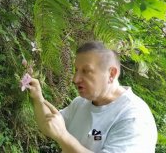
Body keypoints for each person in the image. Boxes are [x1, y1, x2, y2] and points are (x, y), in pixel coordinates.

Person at [28, 41, 157, 153]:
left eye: (86, 71)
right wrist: (38, 98)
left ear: (111, 74)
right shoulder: (80, 103)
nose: (75, 79)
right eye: (76, 70)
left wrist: (63, 136)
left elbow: (60, 133)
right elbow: (49, 126)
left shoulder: (133, 116)